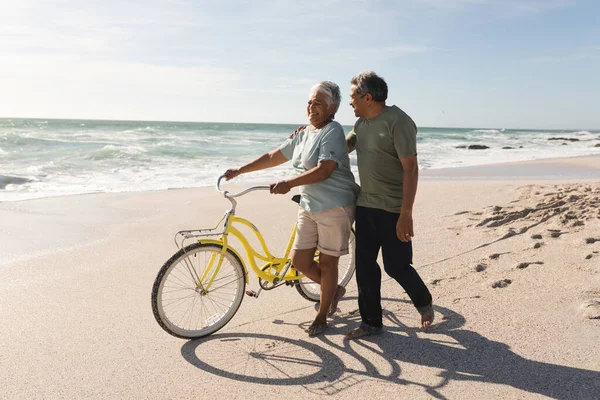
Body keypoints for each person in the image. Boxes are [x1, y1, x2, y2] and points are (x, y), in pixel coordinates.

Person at [223, 81, 359, 337]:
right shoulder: (304, 133)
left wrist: (289, 183)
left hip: (334, 205)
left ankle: (322, 315)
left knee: (328, 264)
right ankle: (335, 290)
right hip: (309, 203)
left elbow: (325, 169)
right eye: (309, 102)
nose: (311, 107)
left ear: (332, 108)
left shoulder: (333, 131)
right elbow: (274, 156)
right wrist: (240, 170)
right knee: (300, 261)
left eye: (318, 103)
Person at [344, 71, 434, 340]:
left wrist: (406, 214)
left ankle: (423, 300)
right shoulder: (361, 124)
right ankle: (371, 322)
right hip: (366, 206)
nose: (350, 103)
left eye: (353, 97)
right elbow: (343, 146)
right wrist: (312, 135)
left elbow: (411, 168)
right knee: (365, 266)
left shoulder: (399, 121)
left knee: (396, 266)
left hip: (394, 210)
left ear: (367, 97)